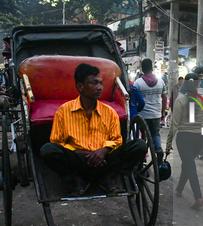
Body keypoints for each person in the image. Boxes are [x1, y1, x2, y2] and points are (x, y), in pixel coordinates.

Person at [40, 63, 147, 196]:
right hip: (77, 162)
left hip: (105, 161)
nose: (99, 88)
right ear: (80, 86)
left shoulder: (109, 112)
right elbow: (57, 141)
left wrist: (103, 151)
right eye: (94, 83)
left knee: (140, 145)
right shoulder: (63, 111)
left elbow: (117, 140)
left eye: (101, 83)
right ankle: (76, 178)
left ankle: (109, 176)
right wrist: (81, 153)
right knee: (48, 150)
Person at [165, 73, 203, 210]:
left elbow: (174, 125)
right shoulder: (202, 100)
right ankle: (180, 189)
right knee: (188, 164)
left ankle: (198, 197)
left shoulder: (180, 101)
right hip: (198, 138)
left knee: (190, 165)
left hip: (184, 139)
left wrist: (168, 143)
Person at [134, 58, 167, 163]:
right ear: (152, 68)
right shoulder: (161, 82)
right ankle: (158, 149)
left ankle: (142, 158)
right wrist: (162, 112)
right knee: (155, 133)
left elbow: (134, 99)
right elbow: (165, 98)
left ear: (142, 69)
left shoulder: (138, 83)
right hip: (156, 114)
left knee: (142, 135)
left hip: (143, 114)